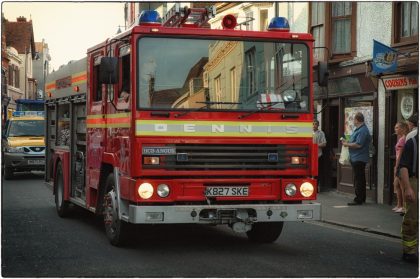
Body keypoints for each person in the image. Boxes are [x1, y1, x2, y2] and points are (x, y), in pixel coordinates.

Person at [398, 113, 418, 263]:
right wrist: (408, 188)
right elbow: (403, 167)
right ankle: (409, 251)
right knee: (412, 218)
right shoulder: (413, 141)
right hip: (414, 181)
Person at [341, 112, 371, 205]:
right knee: (359, 178)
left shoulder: (363, 130)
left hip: (359, 158)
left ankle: (359, 199)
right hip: (356, 157)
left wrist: (346, 144)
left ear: (357, 120)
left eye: (354, 119)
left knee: (359, 179)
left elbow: (358, 144)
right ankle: (361, 198)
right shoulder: (359, 129)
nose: (353, 121)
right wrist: (347, 141)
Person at [392, 121, 409, 213]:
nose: (395, 129)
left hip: (400, 164)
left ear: (403, 129)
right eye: (395, 127)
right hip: (398, 163)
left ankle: (404, 206)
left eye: (397, 127)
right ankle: (399, 204)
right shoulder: (401, 138)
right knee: (396, 185)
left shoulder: (404, 139)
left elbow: (400, 154)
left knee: (402, 186)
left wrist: (397, 166)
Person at [313, 119, 327, 191]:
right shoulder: (308, 132)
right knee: (310, 172)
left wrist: (316, 146)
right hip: (310, 155)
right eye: (313, 124)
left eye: (315, 124)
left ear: (318, 125)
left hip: (318, 155)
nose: (314, 125)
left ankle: (316, 187)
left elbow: (324, 143)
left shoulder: (321, 133)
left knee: (317, 172)